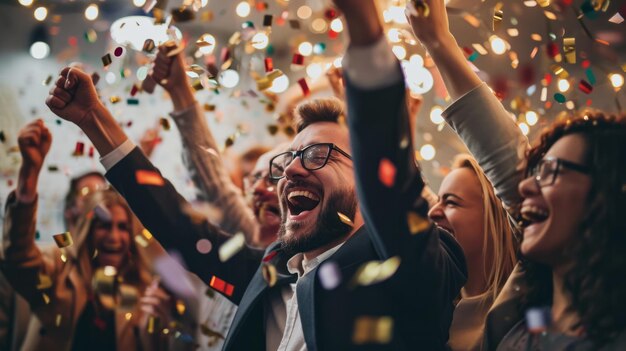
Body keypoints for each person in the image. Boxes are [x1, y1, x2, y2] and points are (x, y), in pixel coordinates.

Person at [45, 50, 466, 350]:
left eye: (318, 155)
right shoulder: (268, 272)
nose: (292, 172)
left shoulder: (406, 271)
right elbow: (175, 222)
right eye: (288, 161)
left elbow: (399, 204)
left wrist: (366, 43)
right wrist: (93, 119)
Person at [1, 120, 172, 351]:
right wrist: (28, 176)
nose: (114, 236)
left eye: (122, 227)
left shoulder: (141, 289)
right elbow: (18, 257)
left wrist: (152, 335)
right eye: (103, 225)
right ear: (86, 228)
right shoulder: (60, 268)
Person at [428, 155, 517, 350]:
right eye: (437, 201)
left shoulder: (522, 311)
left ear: (495, 218)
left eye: (451, 202)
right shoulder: (430, 310)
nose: (433, 212)